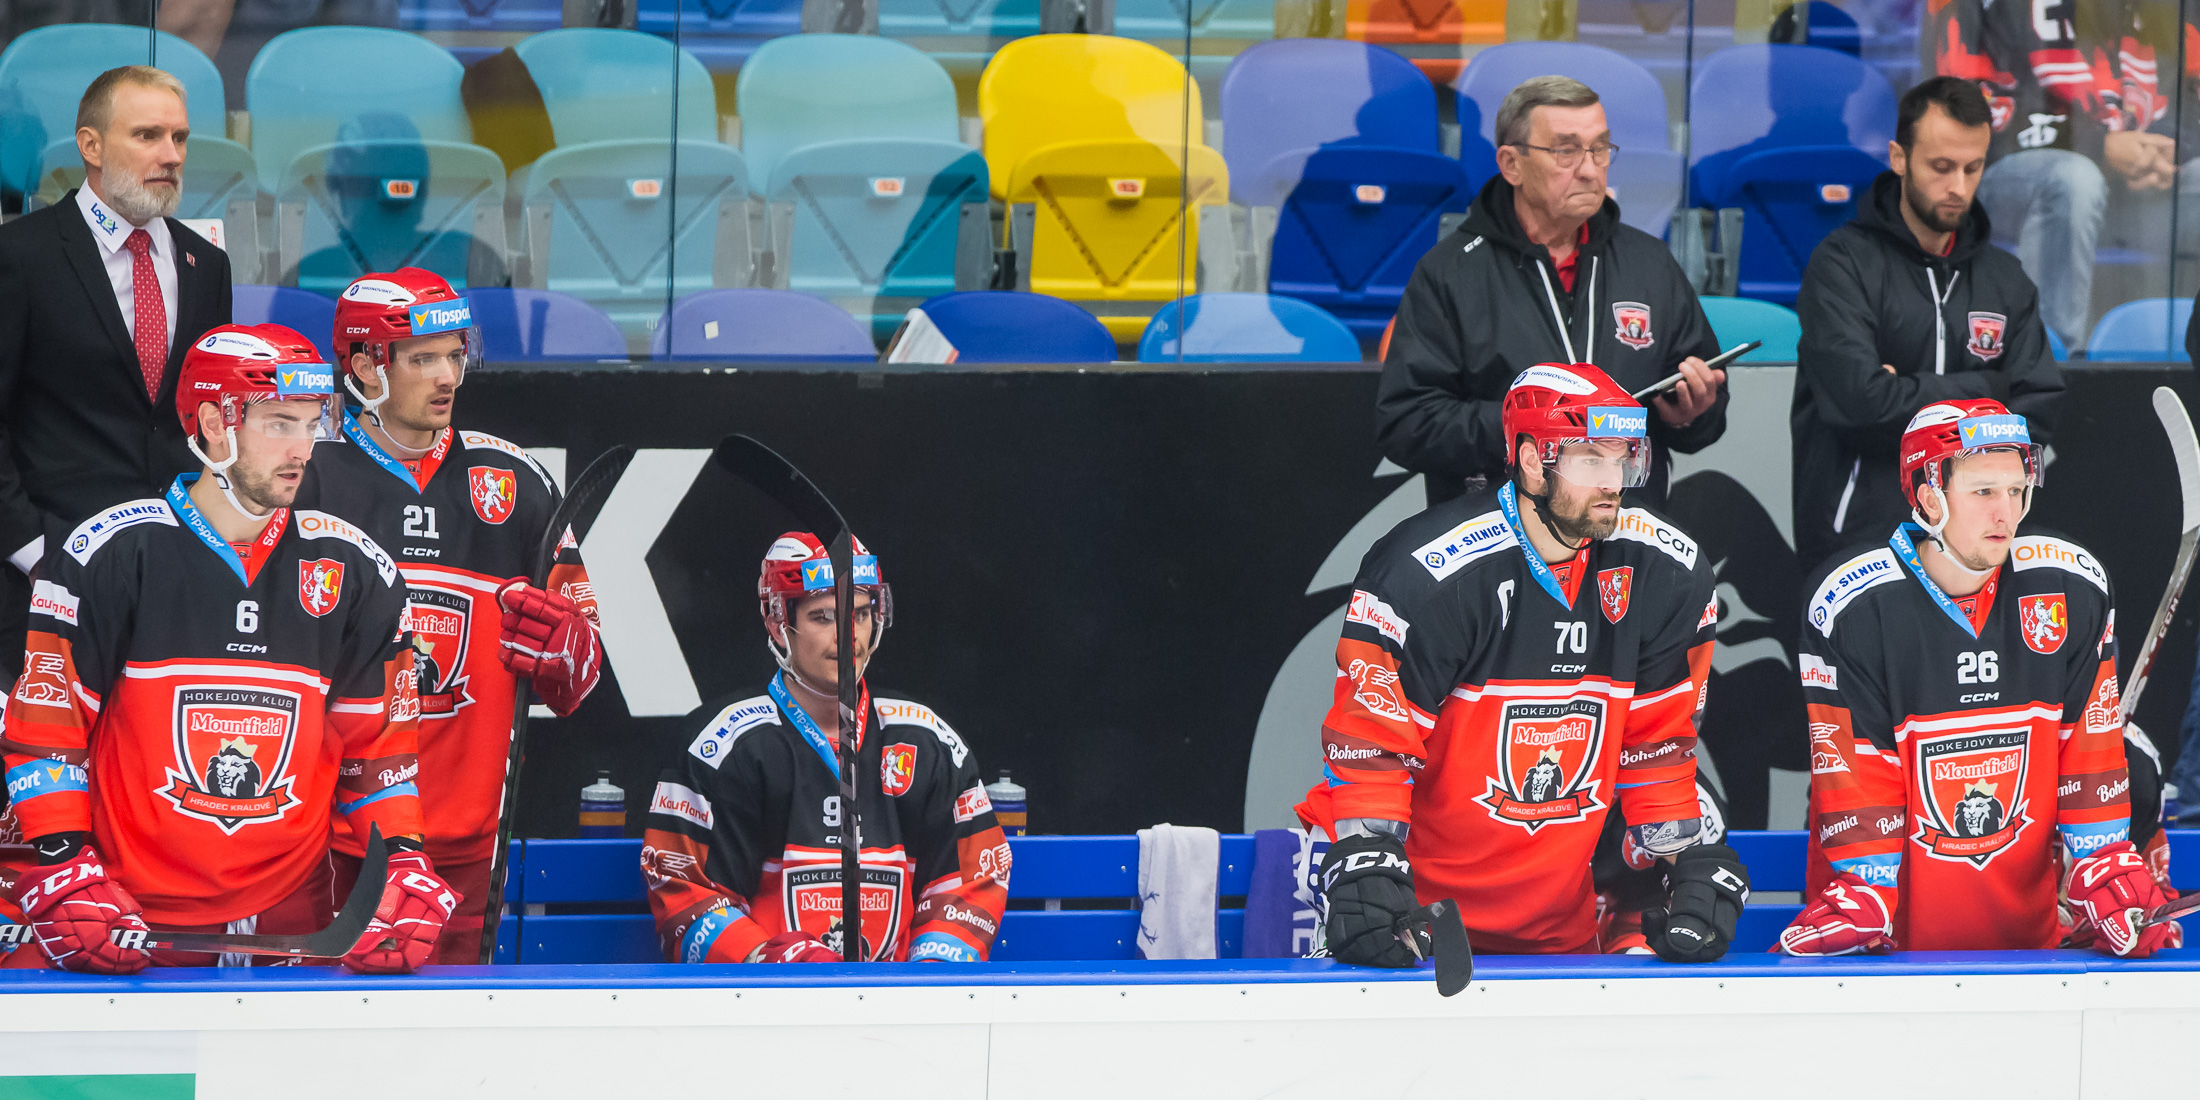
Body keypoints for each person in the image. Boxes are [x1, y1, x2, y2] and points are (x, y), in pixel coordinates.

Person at [0, 324, 454, 974]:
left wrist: (405, 859)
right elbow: (49, 734)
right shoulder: (110, 553)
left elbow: (377, 755)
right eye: (279, 424)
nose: (302, 449)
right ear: (215, 423)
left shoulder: (356, 569)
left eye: (312, 424)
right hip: (127, 919)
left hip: (295, 926)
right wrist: (65, 862)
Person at [1299, 363, 1749, 963]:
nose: (1611, 481)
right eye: (1590, 459)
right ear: (1534, 460)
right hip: (1406, 906)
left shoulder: (1667, 572)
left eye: (1622, 459)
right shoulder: (1429, 570)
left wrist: (1684, 863)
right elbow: (1371, 752)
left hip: (1553, 922)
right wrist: (1366, 870)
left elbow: (1657, 749)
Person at [1778, 399, 2171, 957]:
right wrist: (1865, 890)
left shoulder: (2070, 588)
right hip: (1888, 956)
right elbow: (1854, 771)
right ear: (1928, 495)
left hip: (2032, 954)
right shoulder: (1854, 606)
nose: (2005, 513)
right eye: (1984, 491)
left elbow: (2089, 750)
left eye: (2016, 490)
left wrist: (2104, 862)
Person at [295, 268, 601, 965]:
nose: (448, 377)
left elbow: (581, 679)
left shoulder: (517, 481)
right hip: (333, 841)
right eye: (424, 358)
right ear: (365, 365)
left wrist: (566, 646)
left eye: (456, 355)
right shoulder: (307, 476)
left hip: (470, 847)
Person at [641, 534, 1009, 964]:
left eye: (860, 614)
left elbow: (974, 879)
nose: (848, 636)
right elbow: (685, 890)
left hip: (896, 1000)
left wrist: (928, 977)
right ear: (778, 623)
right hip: (770, 1000)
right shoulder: (721, 746)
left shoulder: (928, 741)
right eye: (823, 617)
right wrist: (773, 963)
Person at [1378, 76, 1728, 508]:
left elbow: (1706, 417)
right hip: (1498, 530)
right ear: (1511, 164)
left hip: (1626, 526)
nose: (1589, 169)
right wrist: (1536, 426)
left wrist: (1691, 415)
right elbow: (1407, 423)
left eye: (1600, 148)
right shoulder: (1450, 272)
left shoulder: (1651, 262)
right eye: (1566, 151)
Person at [0, 66, 233, 684]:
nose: (171, 155)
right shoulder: (20, 256)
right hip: (43, 581)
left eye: (180, 138)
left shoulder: (207, 264)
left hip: (177, 576)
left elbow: (207, 419)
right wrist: (35, 554)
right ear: (91, 146)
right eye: (148, 135)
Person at [1792, 76, 2064, 576]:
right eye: (1941, 167)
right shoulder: (1841, 265)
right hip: (1859, 548)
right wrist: (1991, 389)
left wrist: (1908, 392)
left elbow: (2037, 414)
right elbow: (1862, 406)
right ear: (1899, 158)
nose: (1958, 186)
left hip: (1976, 550)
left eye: (1972, 167)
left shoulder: (2006, 279)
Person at [1927, 0, 2175, 352]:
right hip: (2006, 174)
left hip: (2138, 184)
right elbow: (1971, 120)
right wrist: (2100, 146)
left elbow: (2184, 100)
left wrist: (2167, 151)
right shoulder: (1992, 8)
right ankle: (2048, 359)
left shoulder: (2161, 9)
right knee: (2074, 182)